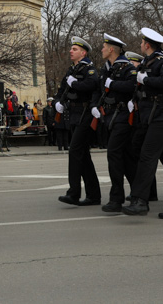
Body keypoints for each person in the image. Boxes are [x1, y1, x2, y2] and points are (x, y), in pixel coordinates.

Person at [122, 28, 163, 219]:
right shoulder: (147, 62)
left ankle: (140, 201)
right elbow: (141, 85)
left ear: (147, 45)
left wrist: (147, 79)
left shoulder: (162, 62)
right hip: (153, 115)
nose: (141, 45)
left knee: (147, 155)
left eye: (142, 43)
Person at [93, 34, 138, 212]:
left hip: (123, 115)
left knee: (113, 154)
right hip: (109, 116)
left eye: (104, 47)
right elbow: (99, 89)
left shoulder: (126, 67)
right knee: (126, 158)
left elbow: (133, 86)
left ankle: (116, 198)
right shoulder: (106, 69)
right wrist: (94, 106)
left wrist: (113, 85)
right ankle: (138, 195)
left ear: (112, 49)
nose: (102, 50)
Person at [56, 36, 101, 207]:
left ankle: (74, 193)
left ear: (83, 53)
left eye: (74, 49)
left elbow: (92, 85)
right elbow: (62, 90)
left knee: (75, 152)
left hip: (85, 114)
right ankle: (93, 195)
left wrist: (75, 83)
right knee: (83, 156)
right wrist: (58, 102)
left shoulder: (88, 69)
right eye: (71, 49)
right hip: (73, 114)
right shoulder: (71, 70)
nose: (70, 51)